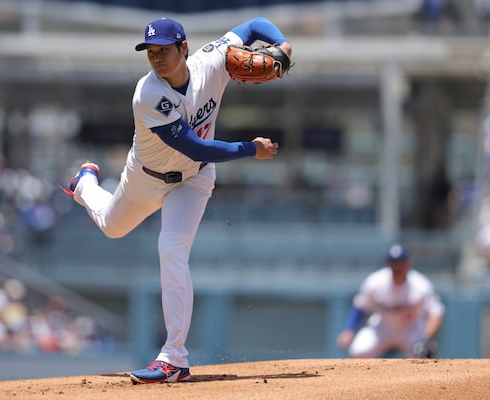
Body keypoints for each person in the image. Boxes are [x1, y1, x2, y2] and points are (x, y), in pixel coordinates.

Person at [61, 17, 291, 383]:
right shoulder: (148, 94)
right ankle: (86, 181)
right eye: (151, 52)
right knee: (111, 226)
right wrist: (251, 148)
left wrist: (282, 45)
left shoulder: (211, 60)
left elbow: (254, 25)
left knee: (171, 249)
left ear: (184, 48)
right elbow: (193, 144)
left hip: (194, 179)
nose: (157, 58)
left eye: (164, 50)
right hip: (146, 179)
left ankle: (174, 359)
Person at [336, 244, 445, 358]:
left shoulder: (421, 285)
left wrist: (426, 338)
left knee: (422, 352)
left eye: (400, 262)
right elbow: (360, 307)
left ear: (407, 263)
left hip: (411, 329)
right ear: (388, 264)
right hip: (382, 327)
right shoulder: (375, 281)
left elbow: (436, 312)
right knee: (358, 351)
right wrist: (348, 330)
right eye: (393, 262)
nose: (397, 266)